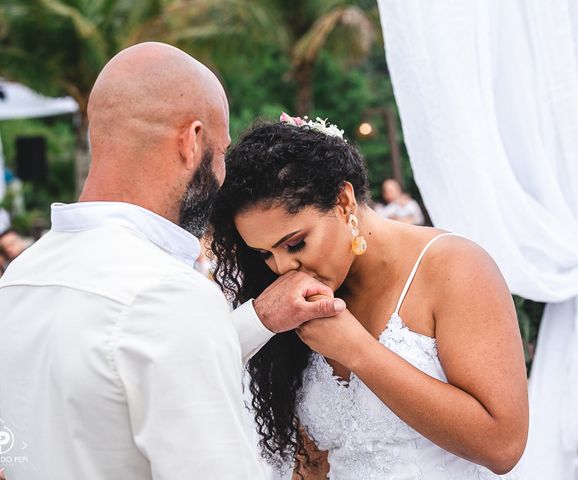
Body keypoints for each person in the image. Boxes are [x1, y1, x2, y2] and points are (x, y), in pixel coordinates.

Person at [0, 44, 345, 480]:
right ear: (192, 140)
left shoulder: (21, 278)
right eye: (220, 153)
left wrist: (257, 319)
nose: (221, 176)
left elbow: (111, 379)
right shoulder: (166, 292)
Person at [210, 116, 529, 479]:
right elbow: (314, 461)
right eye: (265, 254)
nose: (283, 267)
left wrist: (358, 352)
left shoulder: (453, 266)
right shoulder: (306, 306)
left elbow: (503, 447)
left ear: (344, 201)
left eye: (295, 243)